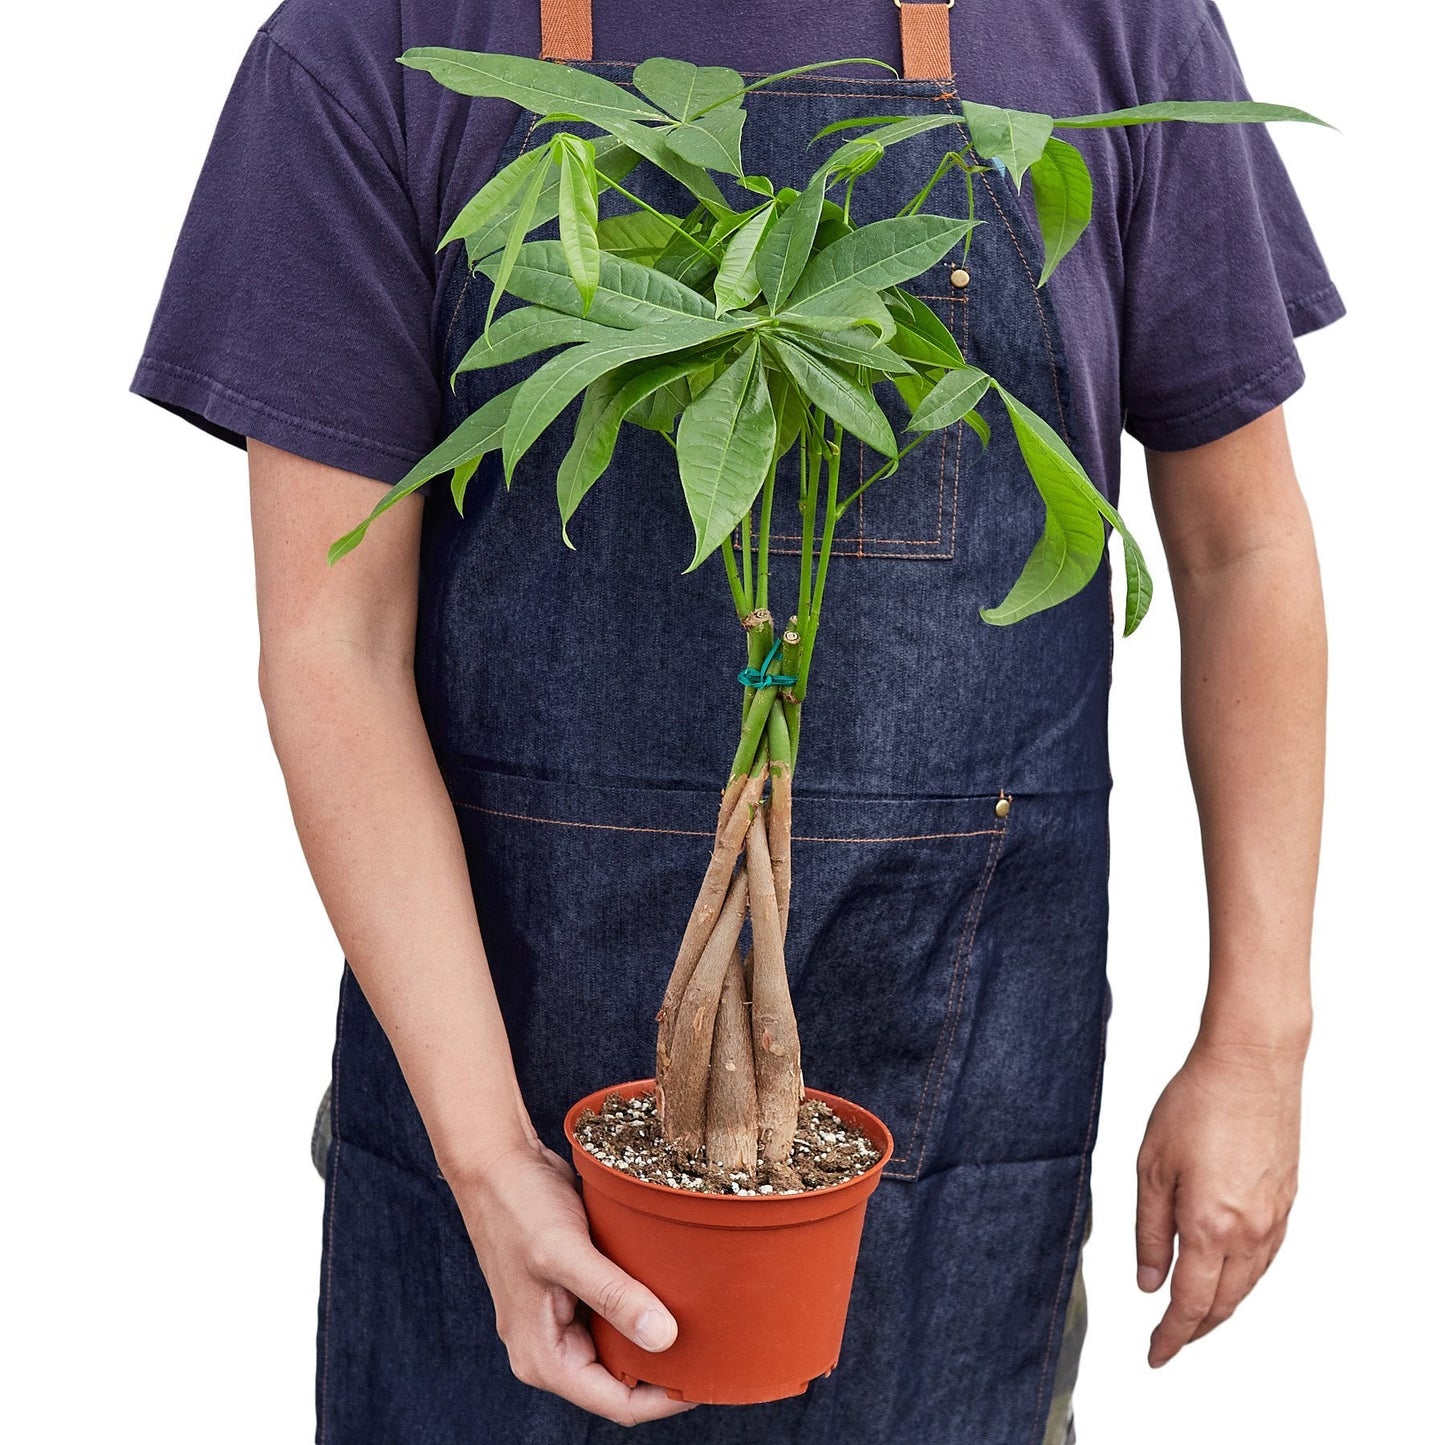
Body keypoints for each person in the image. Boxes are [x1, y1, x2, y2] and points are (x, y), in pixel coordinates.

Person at [131, 1, 1341, 1440]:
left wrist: (1258, 1040)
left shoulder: (1104, 25)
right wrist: (485, 1153)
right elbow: (333, 636)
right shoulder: (373, 40)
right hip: (506, 1127)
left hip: (949, 1111)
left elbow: (1239, 552)